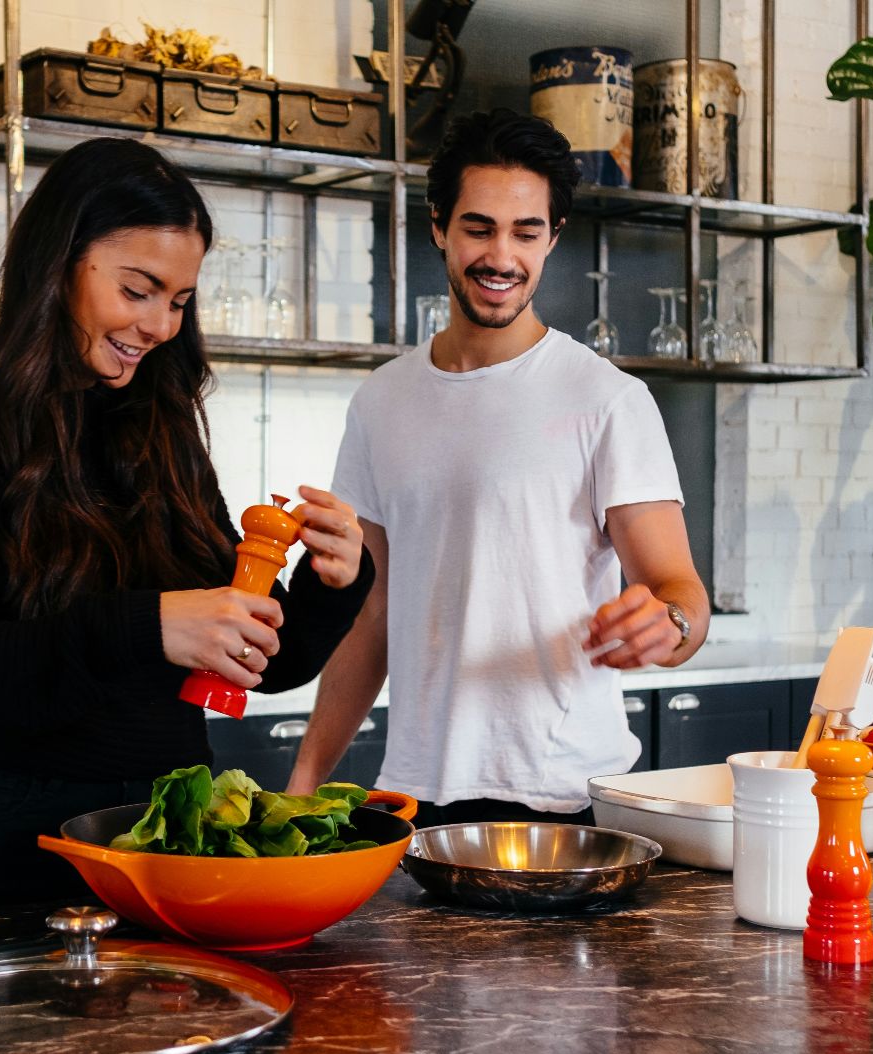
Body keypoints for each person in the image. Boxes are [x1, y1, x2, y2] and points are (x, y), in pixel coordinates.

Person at [0, 137, 375, 917]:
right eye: (139, 289)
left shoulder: (160, 425)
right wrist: (147, 628)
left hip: (164, 846)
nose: (161, 325)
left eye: (180, 300)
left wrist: (332, 582)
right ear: (58, 260)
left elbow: (254, 664)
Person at [286, 108, 710, 826]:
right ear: (438, 227)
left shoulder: (608, 399)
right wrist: (302, 782)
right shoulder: (382, 401)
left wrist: (666, 625)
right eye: (479, 228)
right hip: (416, 797)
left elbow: (681, 597)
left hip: (567, 797)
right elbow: (372, 614)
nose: (501, 256)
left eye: (526, 232)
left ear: (553, 238)